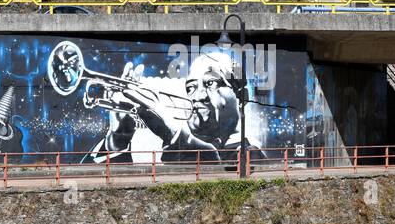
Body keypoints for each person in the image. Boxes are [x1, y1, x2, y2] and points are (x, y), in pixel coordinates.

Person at [84, 49, 264, 171]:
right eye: (191, 87)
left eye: (210, 83)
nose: (197, 96)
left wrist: (173, 135)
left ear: (242, 96)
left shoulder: (251, 154)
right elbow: (95, 182)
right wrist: (116, 139)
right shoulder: (199, 146)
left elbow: (216, 174)